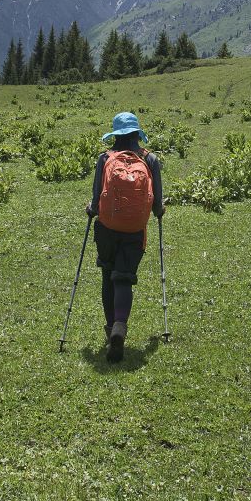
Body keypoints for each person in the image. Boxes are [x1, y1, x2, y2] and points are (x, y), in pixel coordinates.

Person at [86, 111, 164, 362]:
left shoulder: (105, 158)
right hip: (134, 230)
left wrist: (91, 209)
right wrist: (160, 210)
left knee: (108, 275)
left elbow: (96, 200)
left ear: (115, 134)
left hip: (107, 228)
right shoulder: (150, 159)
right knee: (123, 278)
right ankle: (121, 325)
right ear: (136, 133)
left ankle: (111, 330)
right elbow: (157, 204)